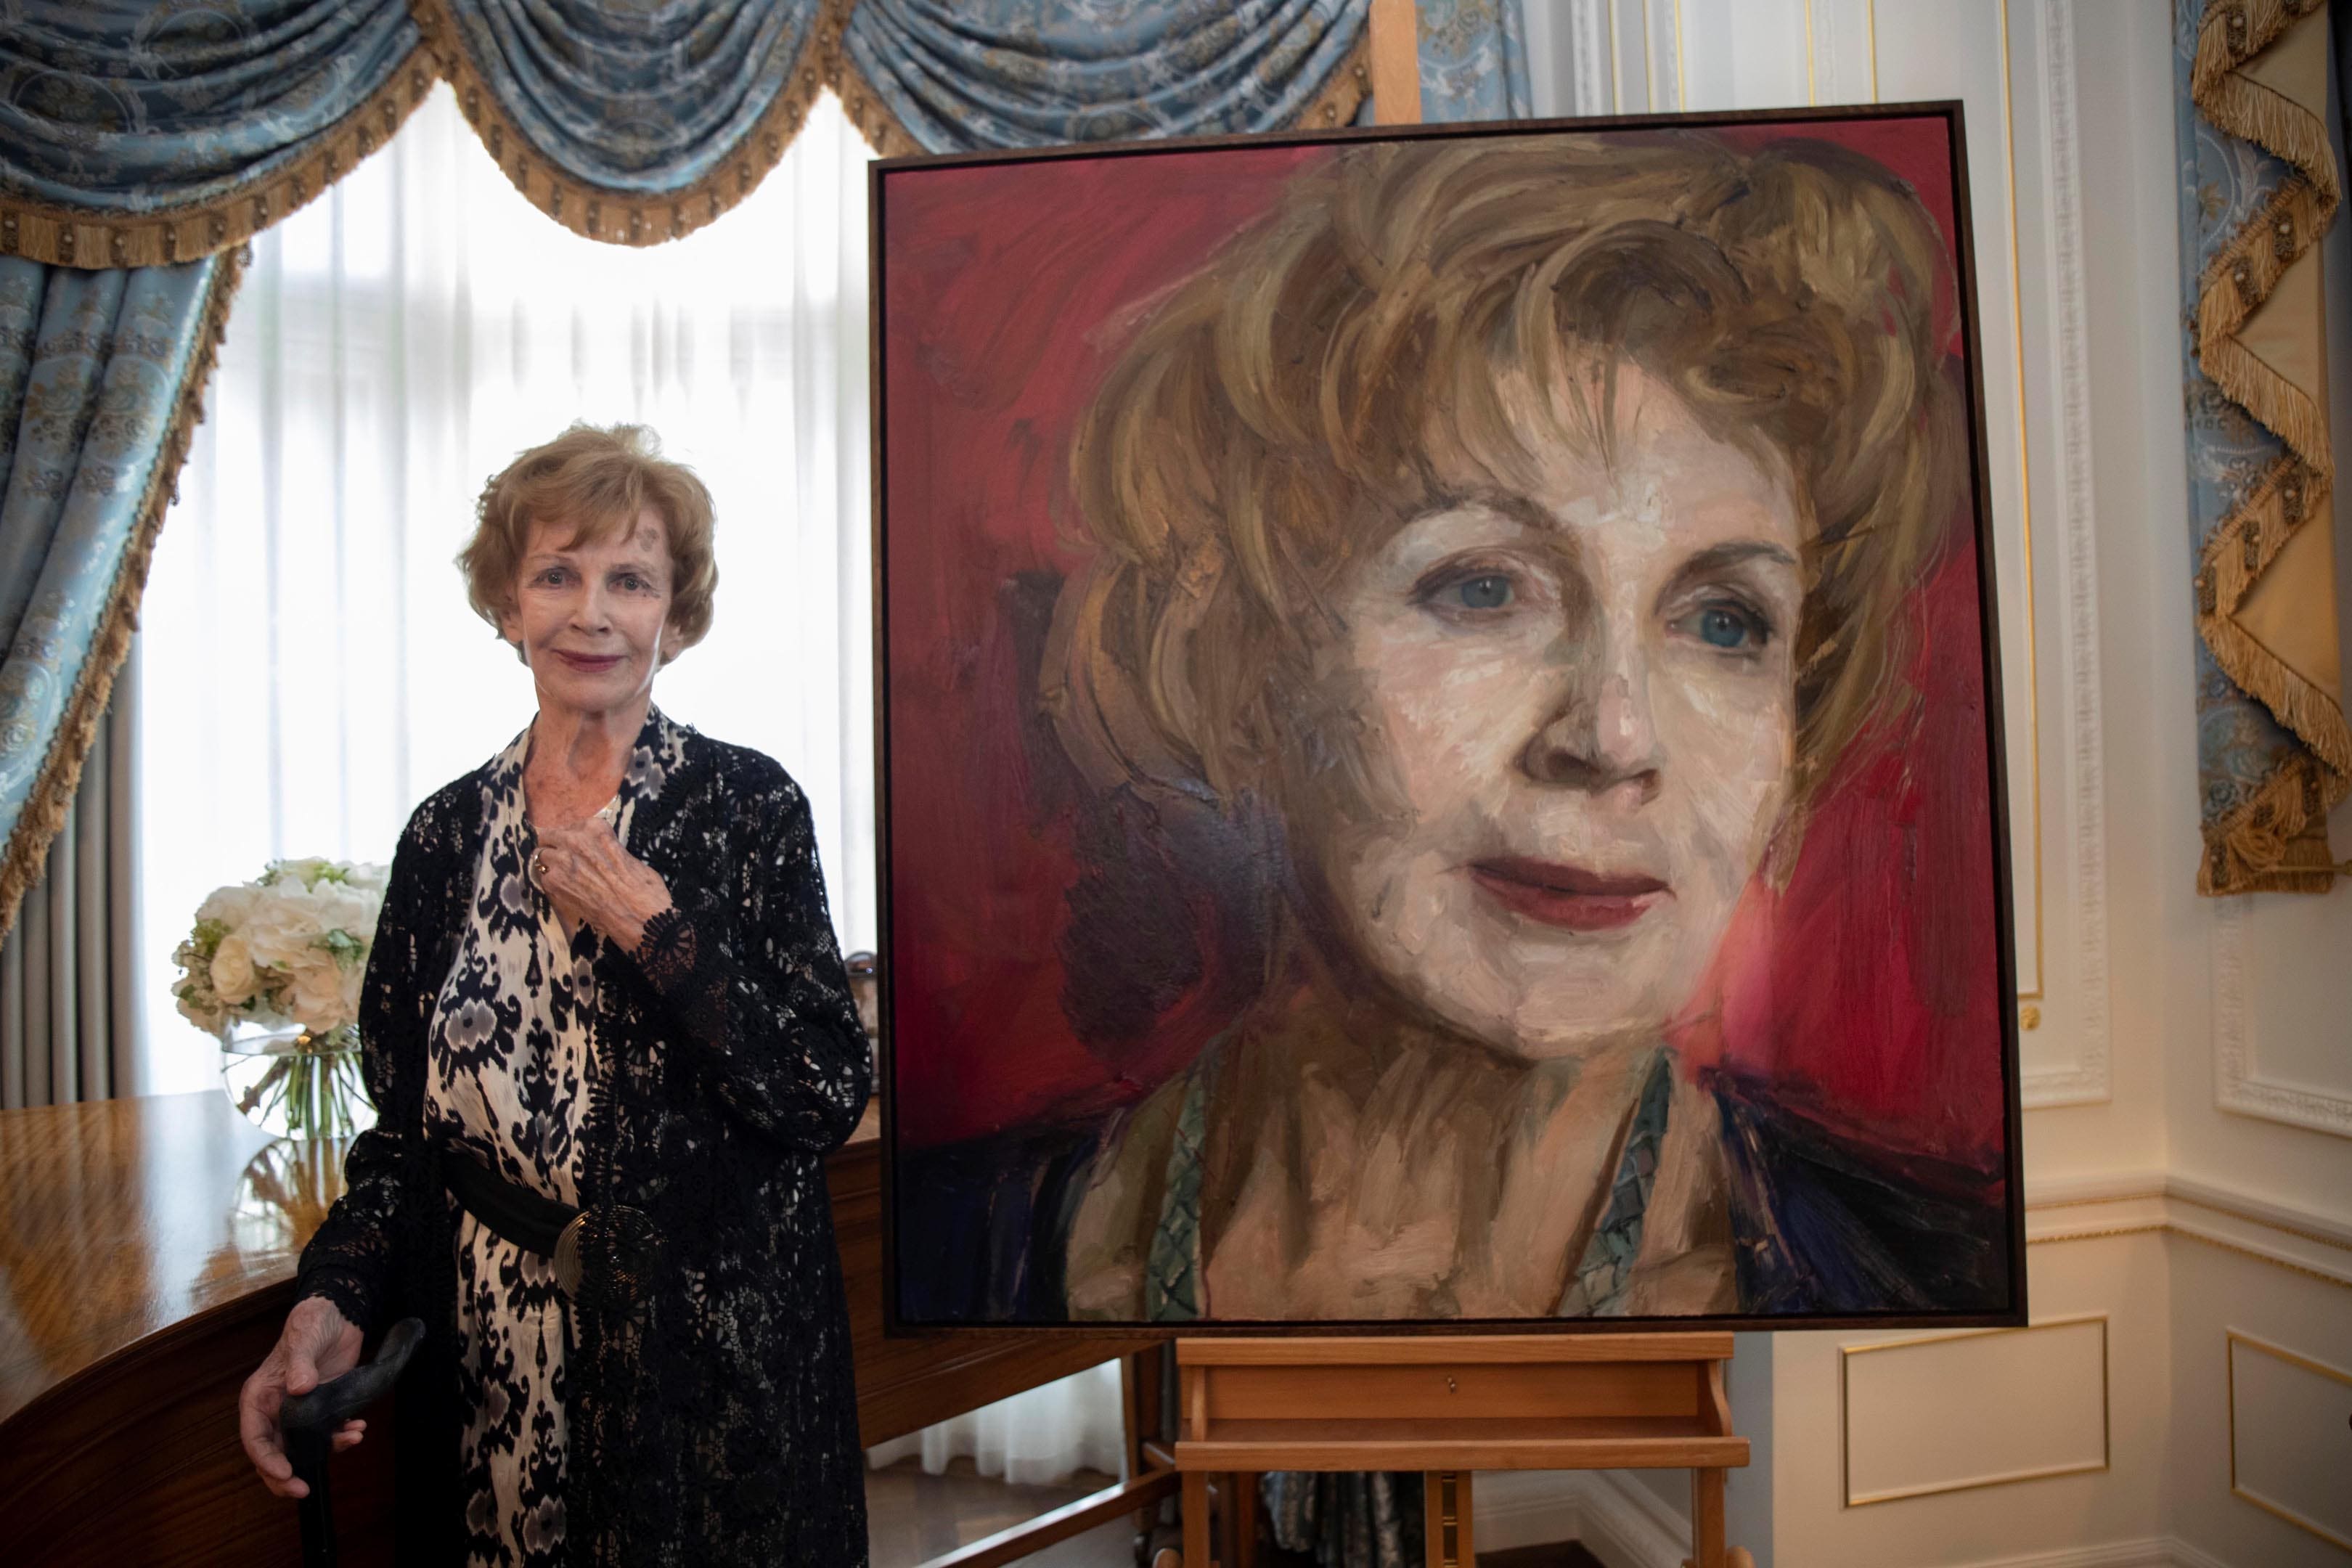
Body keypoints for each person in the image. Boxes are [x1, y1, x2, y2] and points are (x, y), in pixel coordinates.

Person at [902, 130, 2012, 1327]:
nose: (1614, 734)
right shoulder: (964, 1255)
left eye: (1726, 622)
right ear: (1249, 657)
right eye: (1483, 588)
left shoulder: (1916, 1265)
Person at [237, 425, 873, 1565]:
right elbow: (404, 1140)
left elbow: (822, 1091)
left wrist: (656, 930)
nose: (591, 612)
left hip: (705, 1373)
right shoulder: (445, 834)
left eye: (629, 580)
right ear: (505, 604)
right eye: (556, 574)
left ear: (676, 619)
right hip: (491, 1367)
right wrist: (331, 1297)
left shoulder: (747, 808)